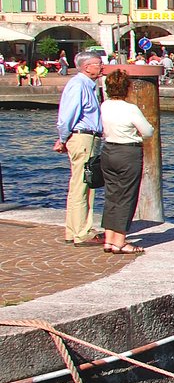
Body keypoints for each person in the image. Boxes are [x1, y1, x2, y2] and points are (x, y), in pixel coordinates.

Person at [97, 69, 154, 255]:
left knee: (112, 195)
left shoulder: (104, 106)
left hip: (108, 150)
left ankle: (109, 239)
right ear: (127, 88)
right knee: (126, 197)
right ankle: (120, 242)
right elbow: (147, 131)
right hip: (127, 152)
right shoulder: (130, 108)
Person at [52, 50, 106, 245]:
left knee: (81, 184)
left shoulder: (88, 85)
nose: (102, 67)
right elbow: (67, 115)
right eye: (98, 64)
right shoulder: (79, 85)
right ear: (86, 67)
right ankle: (82, 233)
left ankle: (73, 229)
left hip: (86, 137)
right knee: (83, 185)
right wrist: (63, 138)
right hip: (83, 137)